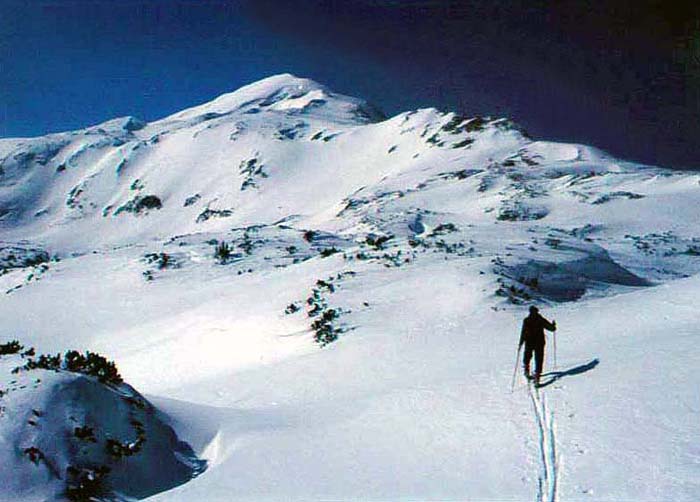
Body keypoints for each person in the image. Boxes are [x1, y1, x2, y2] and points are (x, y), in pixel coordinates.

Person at [519, 306, 556, 385]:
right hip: (539, 342)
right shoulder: (540, 319)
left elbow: (523, 332)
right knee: (539, 358)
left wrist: (521, 343)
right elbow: (551, 329)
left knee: (527, 355)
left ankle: (526, 370)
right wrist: (553, 325)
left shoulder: (526, 320)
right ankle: (537, 376)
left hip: (529, 341)